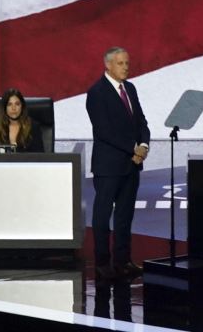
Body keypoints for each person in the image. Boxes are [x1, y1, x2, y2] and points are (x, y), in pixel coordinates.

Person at [85, 47, 150, 278]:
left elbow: (141, 121)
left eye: (127, 63)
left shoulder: (130, 88)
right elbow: (104, 131)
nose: (125, 67)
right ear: (108, 65)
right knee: (102, 216)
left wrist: (144, 146)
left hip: (131, 165)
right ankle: (103, 264)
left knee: (125, 216)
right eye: (121, 63)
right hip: (108, 166)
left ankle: (123, 261)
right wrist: (132, 148)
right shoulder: (96, 92)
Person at [0, 88, 38, 152]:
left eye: (17, 104)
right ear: (4, 108)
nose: (13, 108)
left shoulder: (33, 127)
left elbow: (40, 157)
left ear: (22, 106)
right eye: (9, 104)